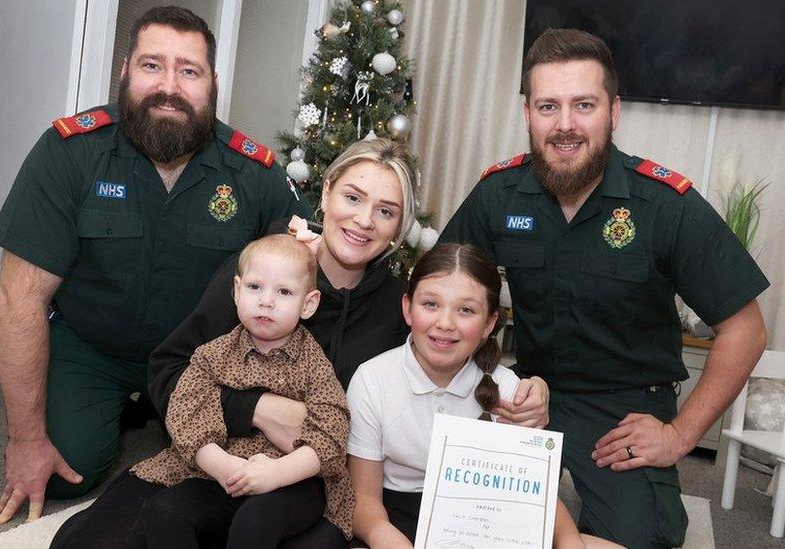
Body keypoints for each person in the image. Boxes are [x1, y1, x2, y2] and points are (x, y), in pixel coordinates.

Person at [439, 28, 769, 548]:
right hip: (529, 392)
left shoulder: (665, 205)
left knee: (643, 539)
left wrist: (678, 436)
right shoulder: (498, 193)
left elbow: (744, 329)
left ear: (613, 113)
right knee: (465, 523)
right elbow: (441, 289)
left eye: (583, 105)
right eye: (548, 106)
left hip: (625, 409)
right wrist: (487, 383)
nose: (565, 125)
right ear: (527, 114)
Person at [0, 6, 309, 525]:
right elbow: (18, 300)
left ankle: (152, 405)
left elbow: (311, 276)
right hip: (91, 346)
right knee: (69, 471)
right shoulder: (68, 153)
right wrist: (25, 440)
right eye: (152, 65)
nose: (169, 87)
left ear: (213, 84)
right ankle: (126, 407)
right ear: (124, 73)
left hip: (201, 360)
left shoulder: (255, 173)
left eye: (189, 70)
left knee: (241, 473)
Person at [149, 138, 552, 546]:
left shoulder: (401, 307)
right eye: (353, 197)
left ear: (399, 227)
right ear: (325, 192)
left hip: (313, 486)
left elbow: (452, 362)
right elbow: (173, 370)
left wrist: (529, 387)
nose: (364, 220)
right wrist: (253, 409)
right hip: (212, 461)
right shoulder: (267, 275)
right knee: (120, 530)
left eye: (385, 211)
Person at [52, 234, 351, 548]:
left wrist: (275, 474)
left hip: (293, 480)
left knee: (255, 522)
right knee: (163, 511)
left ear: (308, 304)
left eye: (284, 292)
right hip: (221, 471)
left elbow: (330, 435)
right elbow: (188, 420)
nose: (266, 301)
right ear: (236, 291)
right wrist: (225, 468)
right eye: (255, 287)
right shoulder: (211, 356)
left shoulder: (314, 363)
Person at [347, 243, 620, 549]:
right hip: (397, 523)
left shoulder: (507, 389)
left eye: (466, 310)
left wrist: (570, 542)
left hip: (488, 522)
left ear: (489, 323)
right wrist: (388, 540)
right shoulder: (373, 380)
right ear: (408, 308)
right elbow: (363, 498)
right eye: (431, 304)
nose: (445, 323)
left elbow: (535, 494)